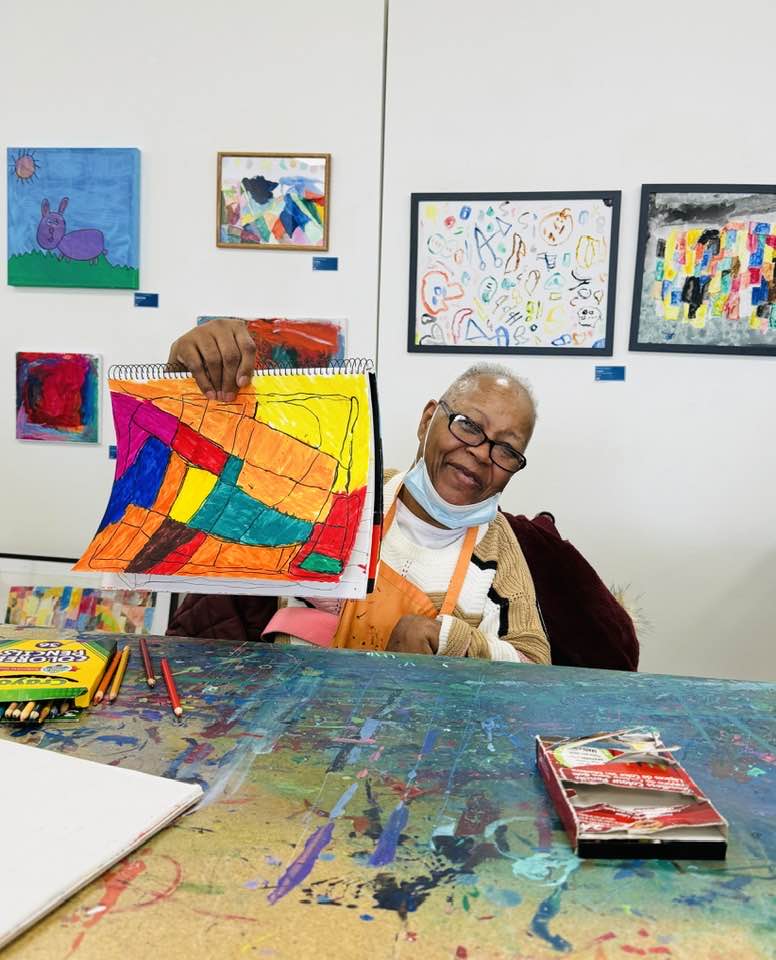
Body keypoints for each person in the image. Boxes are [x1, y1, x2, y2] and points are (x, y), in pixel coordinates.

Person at [167, 319, 550, 664]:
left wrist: (445, 638)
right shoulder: (343, 491)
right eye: (468, 425)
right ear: (427, 420)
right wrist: (186, 377)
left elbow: (534, 665)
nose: (481, 453)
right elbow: (220, 478)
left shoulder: (496, 547)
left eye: (506, 449)